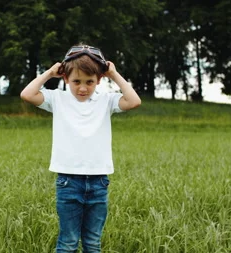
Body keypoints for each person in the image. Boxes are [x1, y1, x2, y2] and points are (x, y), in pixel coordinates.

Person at [20, 44, 141, 253]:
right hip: (68, 181)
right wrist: (50, 73)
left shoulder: (106, 100)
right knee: (68, 241)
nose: (83, 88)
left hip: (99, 181)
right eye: (76, 81)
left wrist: (114, 74)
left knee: (93, 242)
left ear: (99, 80)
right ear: (65, 78)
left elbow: (134, 100)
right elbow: (27, 94)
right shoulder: (58, 99)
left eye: (89, 82)